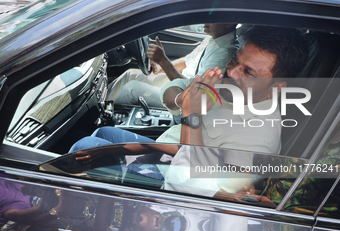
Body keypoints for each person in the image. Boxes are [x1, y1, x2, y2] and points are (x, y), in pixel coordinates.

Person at [69, 26, 309, 194]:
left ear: (275, 88)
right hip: (167, 154)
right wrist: (182, 100)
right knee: (104, 135)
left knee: (82, 149)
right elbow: (179, 88)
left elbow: (195, 188)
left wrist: (191, 115)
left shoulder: (259, 140)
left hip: (170, 181)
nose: (232, 72)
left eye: (248, 72)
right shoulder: (233, 90)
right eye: (235, 60)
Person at [107, 23, 237, 107]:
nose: (207, 17)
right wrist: (160, 67)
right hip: (180, 79)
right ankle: (100, 104)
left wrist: (163, 60)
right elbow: (186, 61)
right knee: (130, 74)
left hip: (181, 96)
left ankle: (100, 117)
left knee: (131, 88)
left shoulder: (224, 53)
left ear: (228, 23)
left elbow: (193, 92)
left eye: (213, 16)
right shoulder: (211, 38)